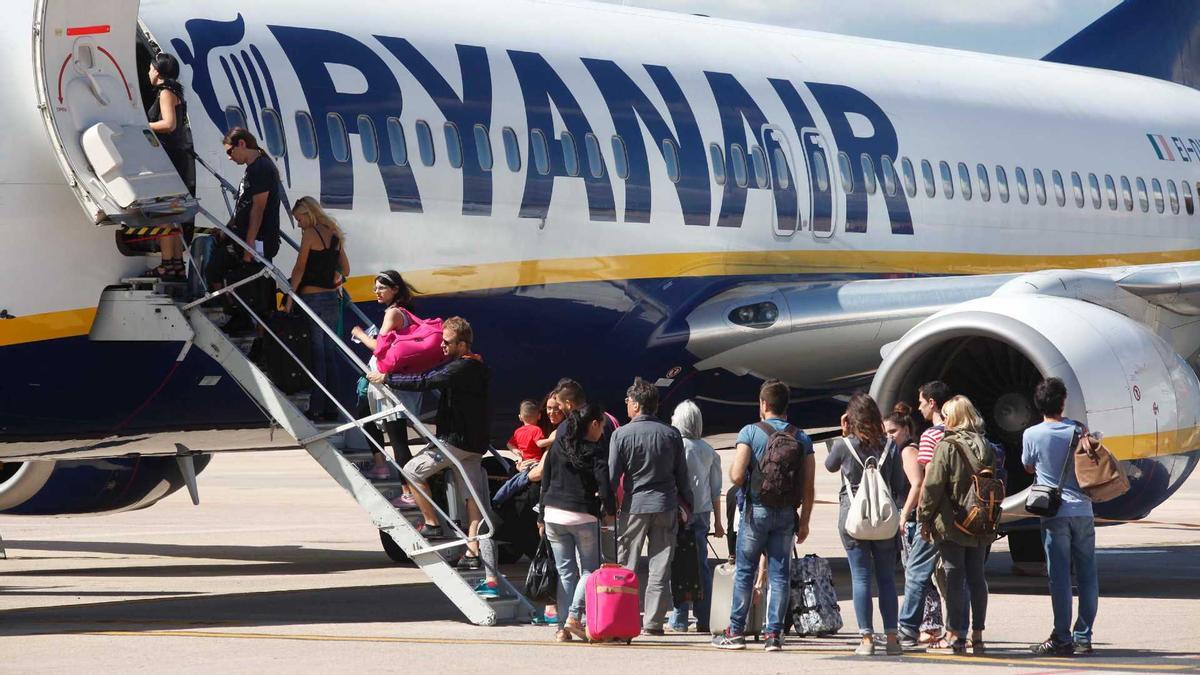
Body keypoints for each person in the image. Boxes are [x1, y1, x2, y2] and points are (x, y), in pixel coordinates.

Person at [370, 317, 499, 596]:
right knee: (472, 499)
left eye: (447, 342)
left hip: (455, 442)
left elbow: (426, 381)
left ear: (462, 344)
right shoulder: (478, 366)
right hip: (475, 445)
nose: (442, 345)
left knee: (412, 471)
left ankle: (432, 524)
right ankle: (472, 551)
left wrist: (387, 378)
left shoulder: (462, 367)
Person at [713, 379, 815, 653]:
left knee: (745, 571)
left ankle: (735, 632)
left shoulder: (750, 432)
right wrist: (804, 521)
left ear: (763, 404)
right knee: (779, 574)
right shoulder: (802, 438)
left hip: (755, 512)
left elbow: (735, 475)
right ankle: (774, 635)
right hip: (786, 514)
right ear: (785, 406)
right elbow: (808, 486)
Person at [609, 377, 690, 637]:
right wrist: (688, 506)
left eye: (627, 401)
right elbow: (682, 476)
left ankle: (625, 617)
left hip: (635, 506)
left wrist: (608, 505)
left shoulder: (621, 434)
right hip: (665, 505)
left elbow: (612, 476)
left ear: (635, 404)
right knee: (660, 567)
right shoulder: (671, 434)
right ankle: (654, 623)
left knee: (627, 566)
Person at [826, 394, 905, 656]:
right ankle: (892, 638)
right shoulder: (890, 447)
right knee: (886, 578)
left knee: (860, 576)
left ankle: (867, 639)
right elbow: (899, 484)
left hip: (853, 517)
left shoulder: (843, 445)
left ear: (851, 419)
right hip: (883, 517)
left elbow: (829, 466)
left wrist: (843, 432)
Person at [1023, 378, 1097, 656]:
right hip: (1082, 510)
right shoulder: (1078, 430)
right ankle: (1083, 637)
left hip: (1053, 512)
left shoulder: (1032, 434)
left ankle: (1062, 636)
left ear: (1038, 404)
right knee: (1088, 575)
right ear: (1062, 402)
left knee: (1060, 577)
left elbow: (1028, 467)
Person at [917, 395, 995, 655]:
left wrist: (924, 518)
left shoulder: (946, 446)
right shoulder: (986, 446)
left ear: (955, 418)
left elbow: (933, 486)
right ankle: (978, 635)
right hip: (981, 520)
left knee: (954, 577)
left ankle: (956, 636)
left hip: (953, 523)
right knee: (977, 578)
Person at [538, 403, 615, 642]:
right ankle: (574, 616)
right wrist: (610, 511)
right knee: (590, 571)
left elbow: (545, 479)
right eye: (602, 425)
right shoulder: (596, 449)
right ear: (593, 424)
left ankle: (562, 628)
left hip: (553, 514)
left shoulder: (558, 446)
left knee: (565, 573)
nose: (602, 430)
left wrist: (541, 515)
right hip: (582, 514)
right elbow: (604, 486)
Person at [351, 271, 420, 503]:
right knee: (365, 415)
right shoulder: (406, 311)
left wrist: (359, 334)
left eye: (381, 288)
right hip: (390, 381)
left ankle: (409, 492)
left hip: (390, 385)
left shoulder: (392, 313)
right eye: (375, 288)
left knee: (398, 440)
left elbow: (378, 348)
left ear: (395, 289)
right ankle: (382, 466)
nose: (376, 292)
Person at [898, 380, 953, 648]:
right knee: (959, 575)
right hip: (963, 514)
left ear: (932, 403)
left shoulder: (931, 436)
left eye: (921, 402)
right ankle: (961, 631)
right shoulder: (963, 432)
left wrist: (924, 515)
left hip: (935, 515)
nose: (918, 408)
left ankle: (907, 629)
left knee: (916, 571)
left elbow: (930, 479)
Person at [288, 197, 350, 422]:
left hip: (311, 299)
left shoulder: (310, 235)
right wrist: (332, 273)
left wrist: (289, 298)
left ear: (308, 214)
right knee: (329, 353)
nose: (298, 224)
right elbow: (346, 269)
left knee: (317, 356)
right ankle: (333, 407)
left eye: (299, 219)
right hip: (331, 299)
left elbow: (299, 268)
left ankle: (316, 408)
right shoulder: (334, 233)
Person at [667, 400, 724, 634]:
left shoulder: (676, 446)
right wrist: (719, 522)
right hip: (702, 512)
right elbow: (715, 491)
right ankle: (704, 617)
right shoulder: (709, 451)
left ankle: (679, 618)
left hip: (679, 511)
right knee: (701, 565)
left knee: (677, 562)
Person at [890, 403, 944, 645]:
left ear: (906, 430)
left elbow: (918, 483)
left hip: (914, 520)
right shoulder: (900, 450)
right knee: (918, 574)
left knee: (919, 574)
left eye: (892, 431)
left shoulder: (908, 451)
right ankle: (927, 624)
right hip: (912, 517)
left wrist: (905, 515)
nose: (888, 437)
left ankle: (929, 624)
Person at [144, 51, 195, 282]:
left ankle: (167, 264)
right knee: (173, 214)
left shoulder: (165, 93)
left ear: (158, 71)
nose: (148, 72)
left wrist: (144, 125)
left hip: (168, 158)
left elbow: (169, 124)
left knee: (165, 212)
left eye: (150, 68)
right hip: (177, 157)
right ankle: (176, 264)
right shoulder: (175, 92)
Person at [491, 401, 547, 509]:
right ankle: (539, 504)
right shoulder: (536, 430)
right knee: (541, 482)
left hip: (523, 463)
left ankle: (498, 499)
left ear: (520, 417)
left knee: (514, 482)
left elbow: (509, 444)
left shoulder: (518, 431)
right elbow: (539, 443)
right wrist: (551, 440)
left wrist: (516, 451)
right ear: (539, 416)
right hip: (535, 463)